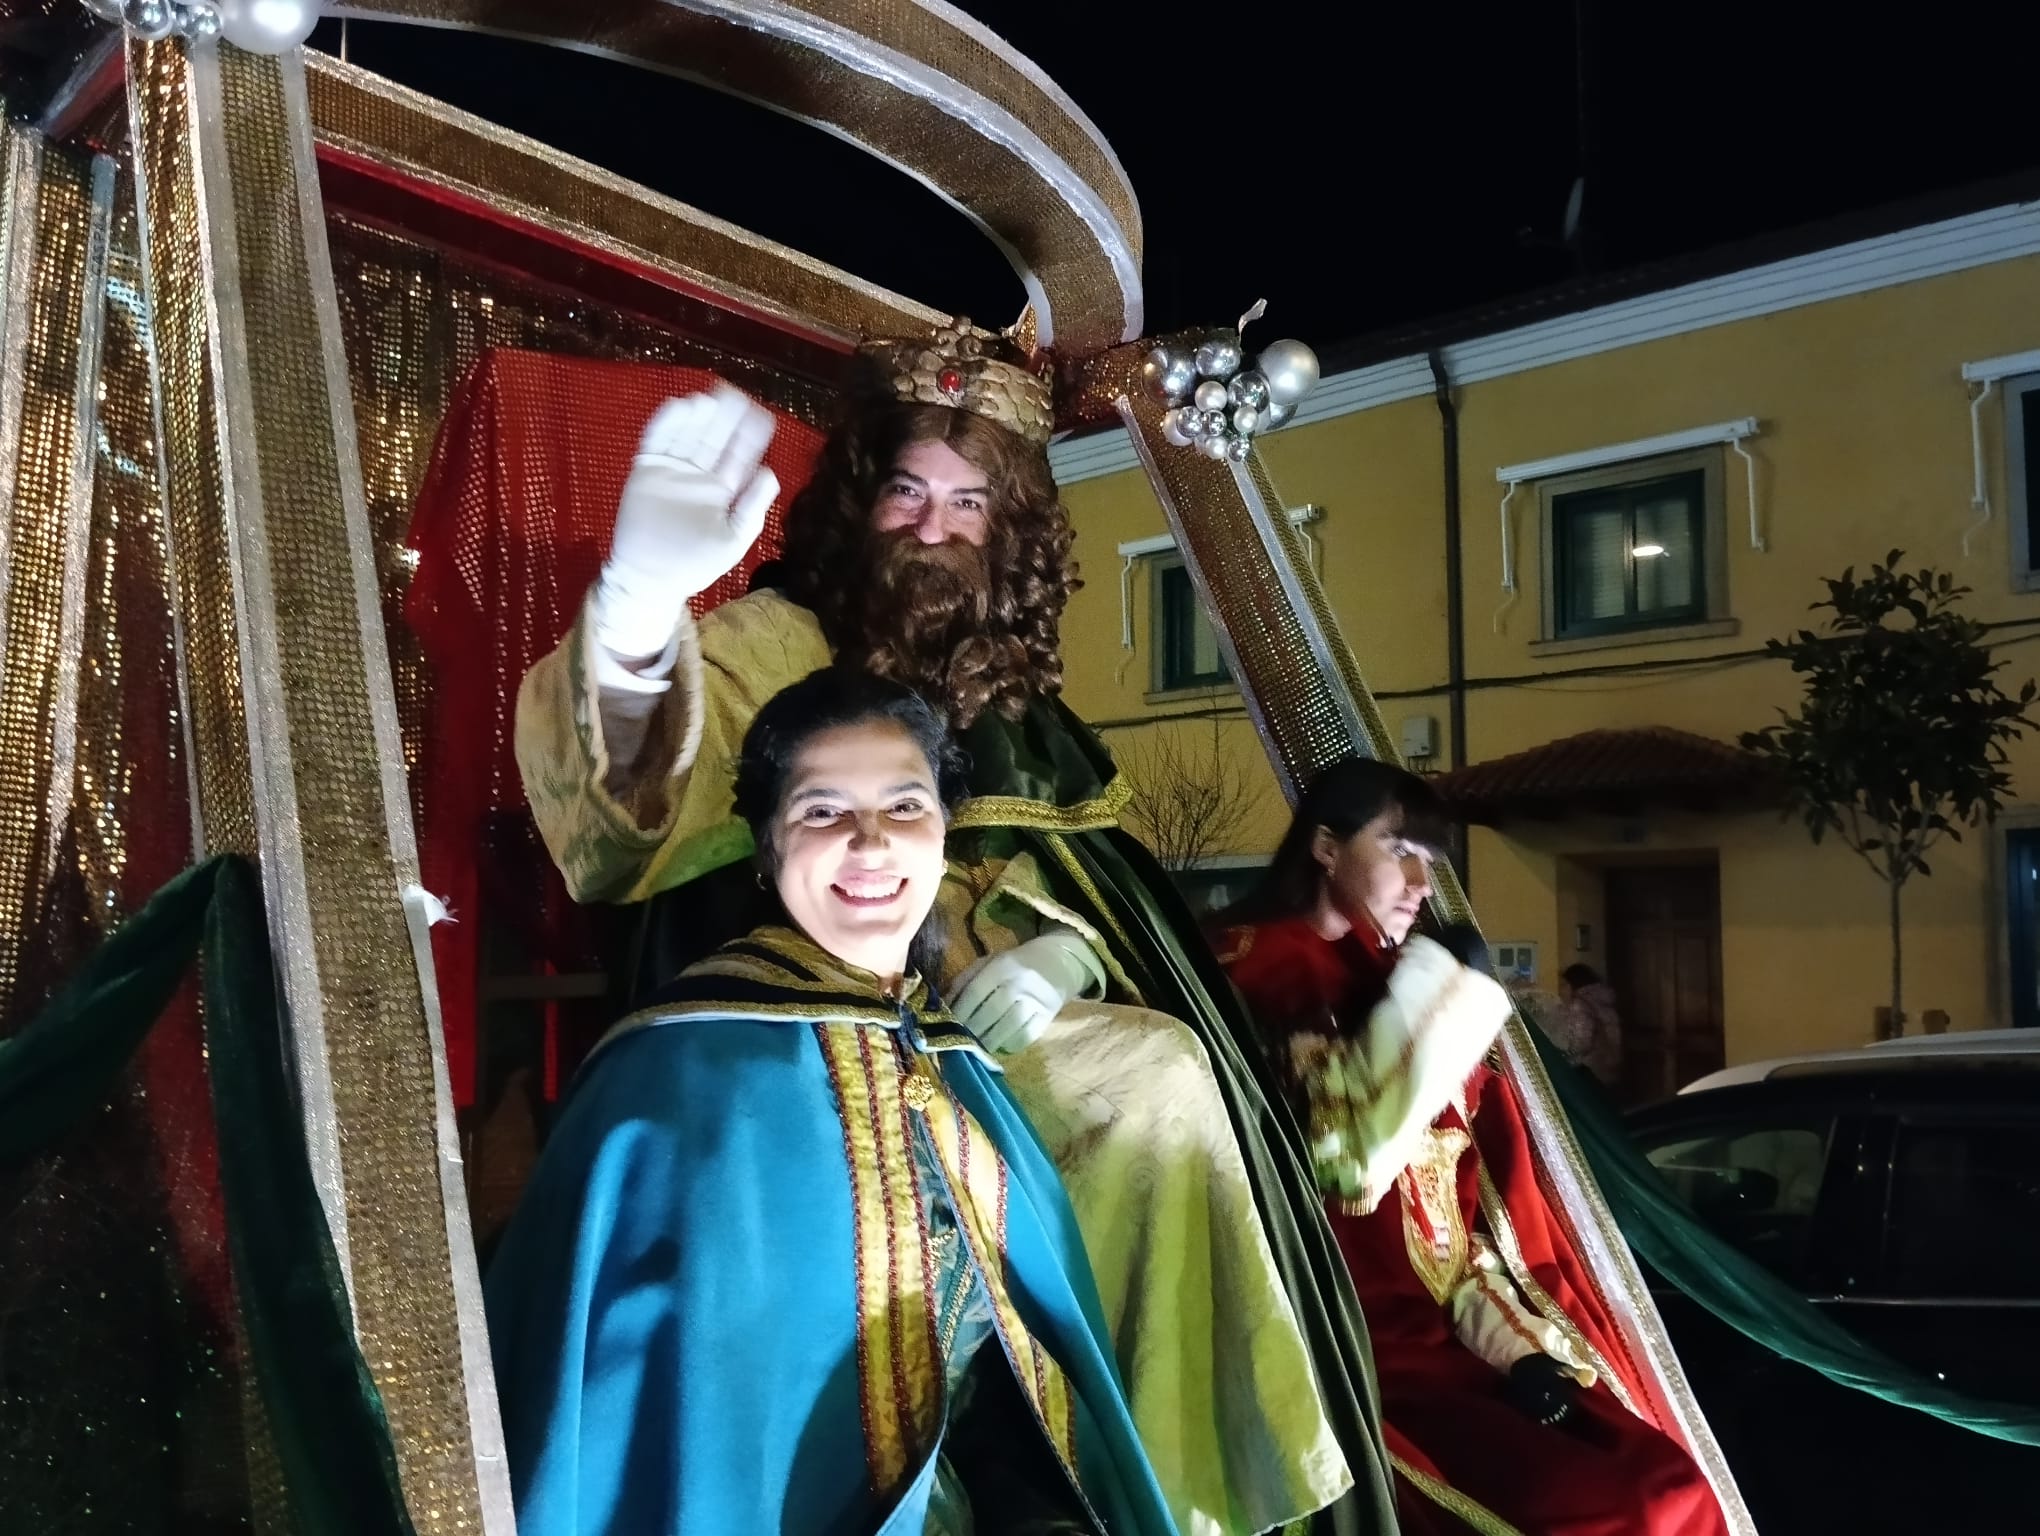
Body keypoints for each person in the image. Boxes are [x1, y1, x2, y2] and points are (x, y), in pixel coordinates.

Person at [513, 320, 1377, 1534]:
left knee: (1166, 1080)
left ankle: (1169, 1488)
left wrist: (1065, 946)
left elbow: (1110, 880)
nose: (932, 528)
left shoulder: (1025, 700)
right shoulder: (774, 645)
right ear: (861, 502)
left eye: (968, 503)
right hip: (801, 1018)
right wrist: (643, 604)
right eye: (909, 492)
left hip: (1001, 1029)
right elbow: (622, 813)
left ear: (1008, 528)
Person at [485, 668, 1180, 1535]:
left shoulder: (952, 1056)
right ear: (768, 847)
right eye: (822, 811)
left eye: (904, 807)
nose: (872, 843)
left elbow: (1019, 1381)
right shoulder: (679, 1073)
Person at [1214, 758, 1728, 1536]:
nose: (1421, 883)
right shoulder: (1251, 967)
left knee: (1669, 1482)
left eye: (1433, 862)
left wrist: (1518, 1351)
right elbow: (1343, 1163)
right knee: (1603, 1512)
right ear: (1325, 846)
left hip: (1453, 1345)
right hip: (1338, 1355)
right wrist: (1436, 997)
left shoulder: (1403, 977)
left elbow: (1461, 1221)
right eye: (1399, 851)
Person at [1554, 964, 1622, 1089]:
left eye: (1564, 984)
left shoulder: (1580, 1005)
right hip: (1611, 1065)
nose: (1562, 990)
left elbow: (1581, 1042)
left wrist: (1562, 1055)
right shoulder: (1604, 1001)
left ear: (1572, 984)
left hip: (1590, 1070)